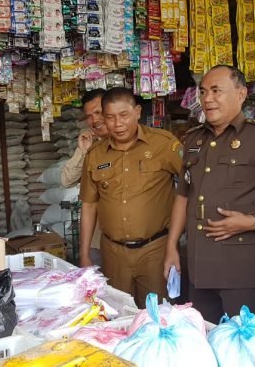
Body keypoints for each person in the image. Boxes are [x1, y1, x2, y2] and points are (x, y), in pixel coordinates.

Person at [163, 65, 255, 323]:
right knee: (205, 337)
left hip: (242, 268)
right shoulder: (193, 140)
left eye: (216, 91)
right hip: (200, 267)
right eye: (203, 92)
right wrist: (171, 246)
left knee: (245, 340)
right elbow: (183, 195)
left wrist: (253, 221)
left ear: (241, 94)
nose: (207, 98)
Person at [79, 87, 182, 306]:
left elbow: (191, 187)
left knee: (158, 314)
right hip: (113, 252)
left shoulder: (164, 144)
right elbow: (89, 205)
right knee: (118, 312)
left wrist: (176, 243)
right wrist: (84, 253)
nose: (118, 124)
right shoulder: (95, 154)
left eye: (124, 115)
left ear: (137, 112)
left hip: (156, 249)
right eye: (110, 117)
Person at [61, 89, 108, 264]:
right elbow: (66, 180)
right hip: (98, 237)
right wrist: (83, 151)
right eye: (89, 116)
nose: (94, 120)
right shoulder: (92, 146)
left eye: (98, 112)